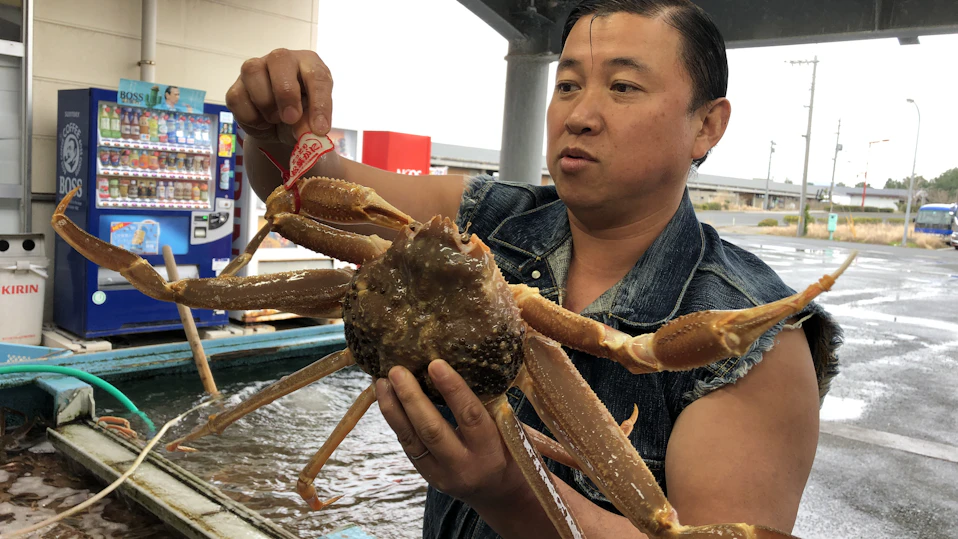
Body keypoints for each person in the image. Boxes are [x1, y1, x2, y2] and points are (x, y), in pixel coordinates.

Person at [227, 0, 842, 537]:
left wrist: (507, 489)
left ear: (706, 125)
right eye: (568, 85)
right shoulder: (484, 221)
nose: (579, 114)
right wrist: (273, 128)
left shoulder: (753, 337)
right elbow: (306, 188)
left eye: (623, 87)